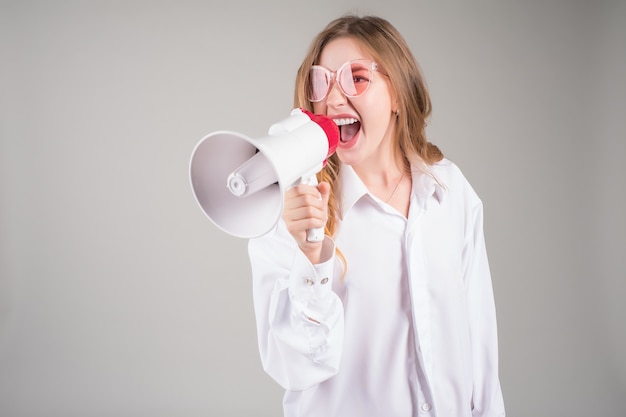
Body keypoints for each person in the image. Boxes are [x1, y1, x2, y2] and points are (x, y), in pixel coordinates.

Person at [248, 15, 505, 417]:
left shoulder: (450, 193)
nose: (332, 99)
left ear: (398, 93)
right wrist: (311, 258)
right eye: (321, 82)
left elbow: (480, 346)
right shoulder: (286, 212)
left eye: (357, 78)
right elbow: (291, 366)